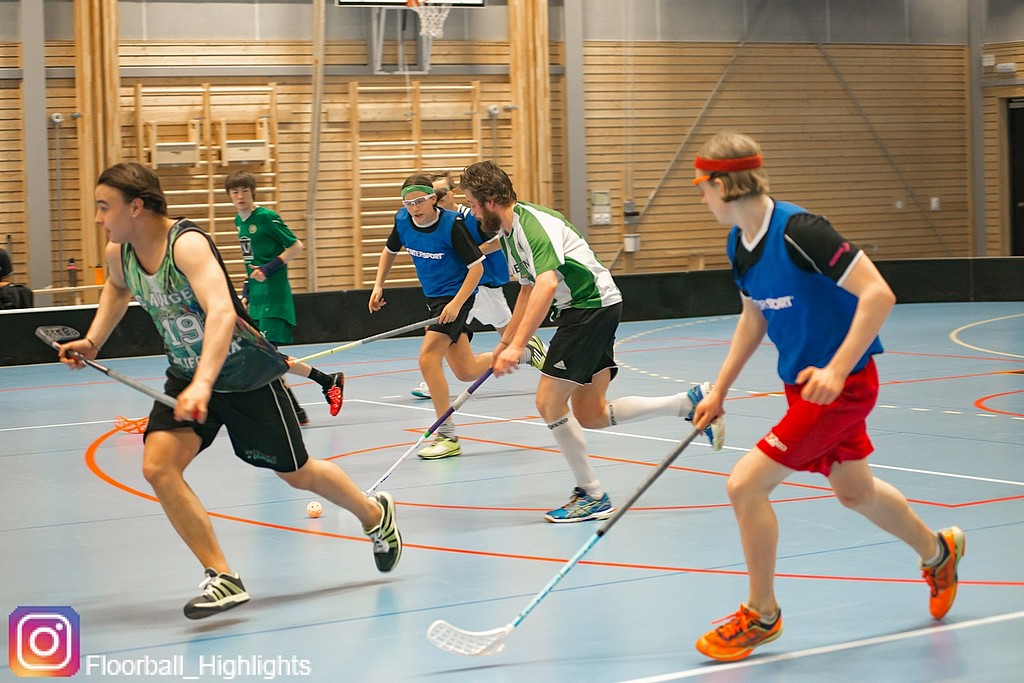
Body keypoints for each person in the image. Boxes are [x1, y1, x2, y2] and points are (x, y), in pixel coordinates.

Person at [58, 162, 402, 619]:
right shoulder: (119, 252)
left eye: (105, 206)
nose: (98, 217)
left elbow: (221, 311)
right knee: (159, 466)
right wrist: (93, 341)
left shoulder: (187, 245)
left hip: (243, 374)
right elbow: (117, 291)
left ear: (136, 207)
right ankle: (222, 575)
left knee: (297, 473)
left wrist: (204, 384)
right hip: (187, 373)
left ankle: (375, 516)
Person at [688, 132, 964, 661]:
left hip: (841, 387)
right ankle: (938, 552)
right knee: (855, 491)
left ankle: (762, 614)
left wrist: (837, 369)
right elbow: (753, 318)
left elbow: (879, 293)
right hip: (803, 387)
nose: (700, 196)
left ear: (721, 184)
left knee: (745, 485)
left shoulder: (801, 231)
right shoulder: (738, 243)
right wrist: (720, 388)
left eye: (700, 185)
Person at [459, 160, 724, 523]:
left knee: (548, 403)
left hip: (589, 307)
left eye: (473, 204)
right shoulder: (508, 233)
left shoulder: (532, 225)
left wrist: (519, 347)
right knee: (590, 413)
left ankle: (593, 495)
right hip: (590, 308)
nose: (472, 213)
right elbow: (527, 289)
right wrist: (507, 342)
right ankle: (688, 403)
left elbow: (547, 284)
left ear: (490, 201)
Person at [368, 173, 544, 460]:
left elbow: (476, 268)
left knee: (427, 358)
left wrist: (456, 304)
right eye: (408, 203)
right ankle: (525, 353)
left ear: (433, 199)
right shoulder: (402, 221)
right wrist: (378, 285)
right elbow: (389, 251)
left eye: (420, 201)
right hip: (433, 299)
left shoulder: (452, 225)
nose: (414, 208)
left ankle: (447, 436)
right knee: (466, 370)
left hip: (456, 296)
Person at [225, 170, 344, 425]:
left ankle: (310, 395)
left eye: (244, 190)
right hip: (257, 299)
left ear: (252, 191)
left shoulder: (266, 217)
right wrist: (246, 293)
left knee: (266, 357)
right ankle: (317, 390)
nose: (240, 196)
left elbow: (295, 245)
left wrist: (269, 269)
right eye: (235, 191)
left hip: (274, 296)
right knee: (268, 358)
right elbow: (250, 262)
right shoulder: (239, 221)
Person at [408, 171, 537, 400]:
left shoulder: (471, 216)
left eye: (442, 192)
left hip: (484, 285)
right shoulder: (433, 223)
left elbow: (501, 238)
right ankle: (432, 381)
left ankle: (535, 354)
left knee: (509, 333)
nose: (438, 198)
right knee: (438, 332)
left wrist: (473, 254)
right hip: (458, 289)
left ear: (452, 192)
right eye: (433, 193)